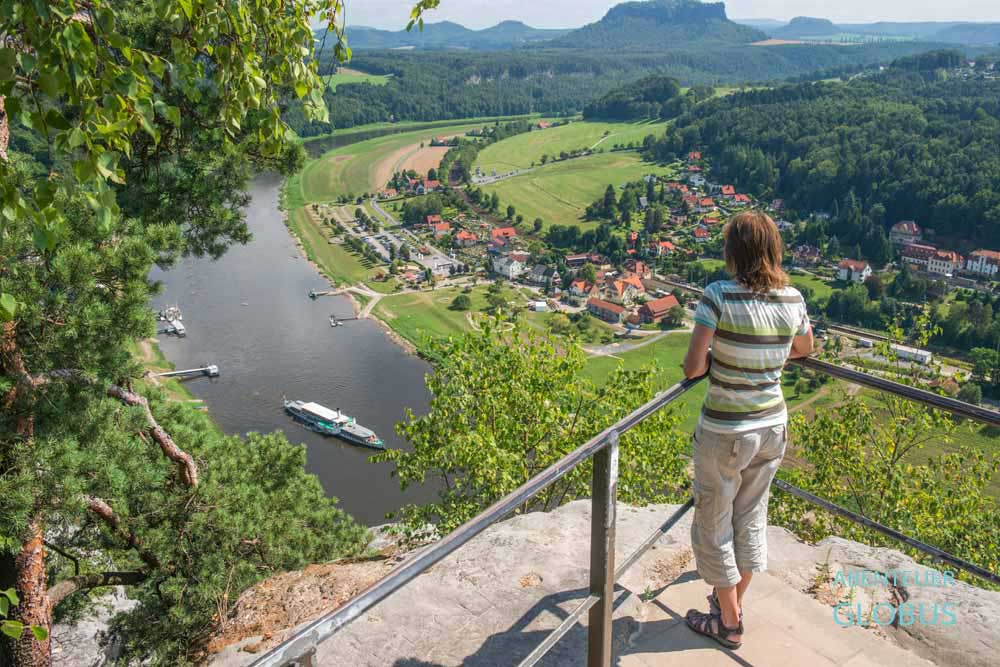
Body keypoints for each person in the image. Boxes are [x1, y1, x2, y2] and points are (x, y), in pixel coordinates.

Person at [681, 210, 813, 649]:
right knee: (751, 517)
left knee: (713, 521)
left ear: (733, 251)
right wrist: (768, 357)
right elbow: (805, 348)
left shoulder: (718, 296)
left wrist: (724, 357)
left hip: (726, 430)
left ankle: (729, 623)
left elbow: (693, 365)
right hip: (772, 424)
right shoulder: (792, 299)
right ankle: (731, 604)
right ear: (772, 249)